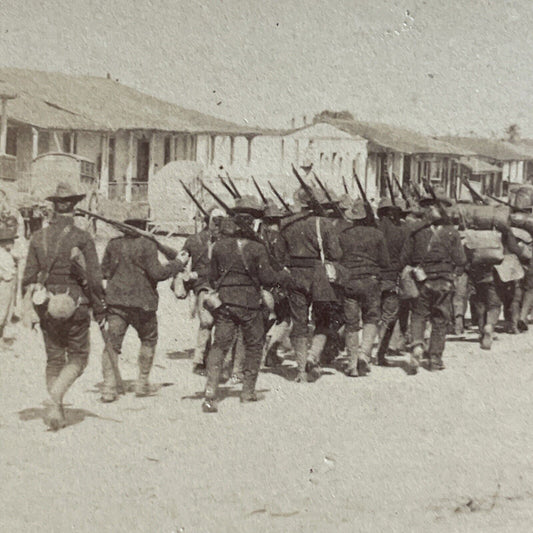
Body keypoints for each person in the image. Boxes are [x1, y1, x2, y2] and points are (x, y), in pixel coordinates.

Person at [202, 195, 299, 413]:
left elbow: (213, 276)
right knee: (254, 346)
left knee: (220, 345)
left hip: (225, 303)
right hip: (250, 304)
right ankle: (247, 392)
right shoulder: (257, 248)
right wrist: (283, 276)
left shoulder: (219, 246)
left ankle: (210, 392)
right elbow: (267, 279)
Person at [22, 182, 106, 430]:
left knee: (54, 358)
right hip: (76, 305)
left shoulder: (38, 237)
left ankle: (56, 410)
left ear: (54, 207)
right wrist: (100, 308)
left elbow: (28, 277)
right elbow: (93, 279)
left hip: (47, 305)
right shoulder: (82, 237)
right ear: (75, 206)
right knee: (79, 356)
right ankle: (56, 397)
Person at [100, 216, 186, 402]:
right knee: (148, 340)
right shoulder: (147, 244)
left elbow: (104, 272)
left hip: (116, 303)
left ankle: (108, 387)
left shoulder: (113, 244)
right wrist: (177, 264)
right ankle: (141, 383)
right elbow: (158, 273)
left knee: (112, 344)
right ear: (143, 226)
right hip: (143, 304)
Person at [274, 187, 342, 382]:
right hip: (319, 275)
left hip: (295, 276)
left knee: (299, 322)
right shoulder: (325, 224)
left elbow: (278, 258)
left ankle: (301, 370)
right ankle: (314, 355)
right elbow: (336, 254)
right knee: (323, 320)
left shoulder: (286, 225)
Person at [400, 190, 466, 372]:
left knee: (419, 314)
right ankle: (435, 359)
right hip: (444, 280)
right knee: (440, 319)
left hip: (422, 279)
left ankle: (417, 346)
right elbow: (461, 260)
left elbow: (404, 258)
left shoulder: (416, 231)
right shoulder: (451, 232)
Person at [337, 199, 390, 376]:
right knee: (371, 318)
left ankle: (351, 363)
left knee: (351, 323)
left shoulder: (344, 235)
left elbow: (338, 257)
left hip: (350, 280)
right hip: (371, 280)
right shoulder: (377, 234)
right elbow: (385, 261)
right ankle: (364, 355)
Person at [179, 206, 225, 375]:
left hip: (202, 288)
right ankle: (206, 362)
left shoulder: (193, 240)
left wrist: (188, 276)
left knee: (206, 324)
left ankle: (201, 361)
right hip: (215, 287)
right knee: (214, 324)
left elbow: (179, 262)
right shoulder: (226, 241)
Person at [376, 197, 408, 362]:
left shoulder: (375, 228)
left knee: (370, 314)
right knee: (389, 314)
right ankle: (386, 347)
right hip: (392, 275)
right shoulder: (402, 230)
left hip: (375, 275)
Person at [0, 215, 19, 344]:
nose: (12, 243)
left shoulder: (7, 254)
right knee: (3, 309)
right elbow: (9, 272)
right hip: (6, 284)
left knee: (7, 309)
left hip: (9, 283)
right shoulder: (3, 255)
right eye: (10, 241)